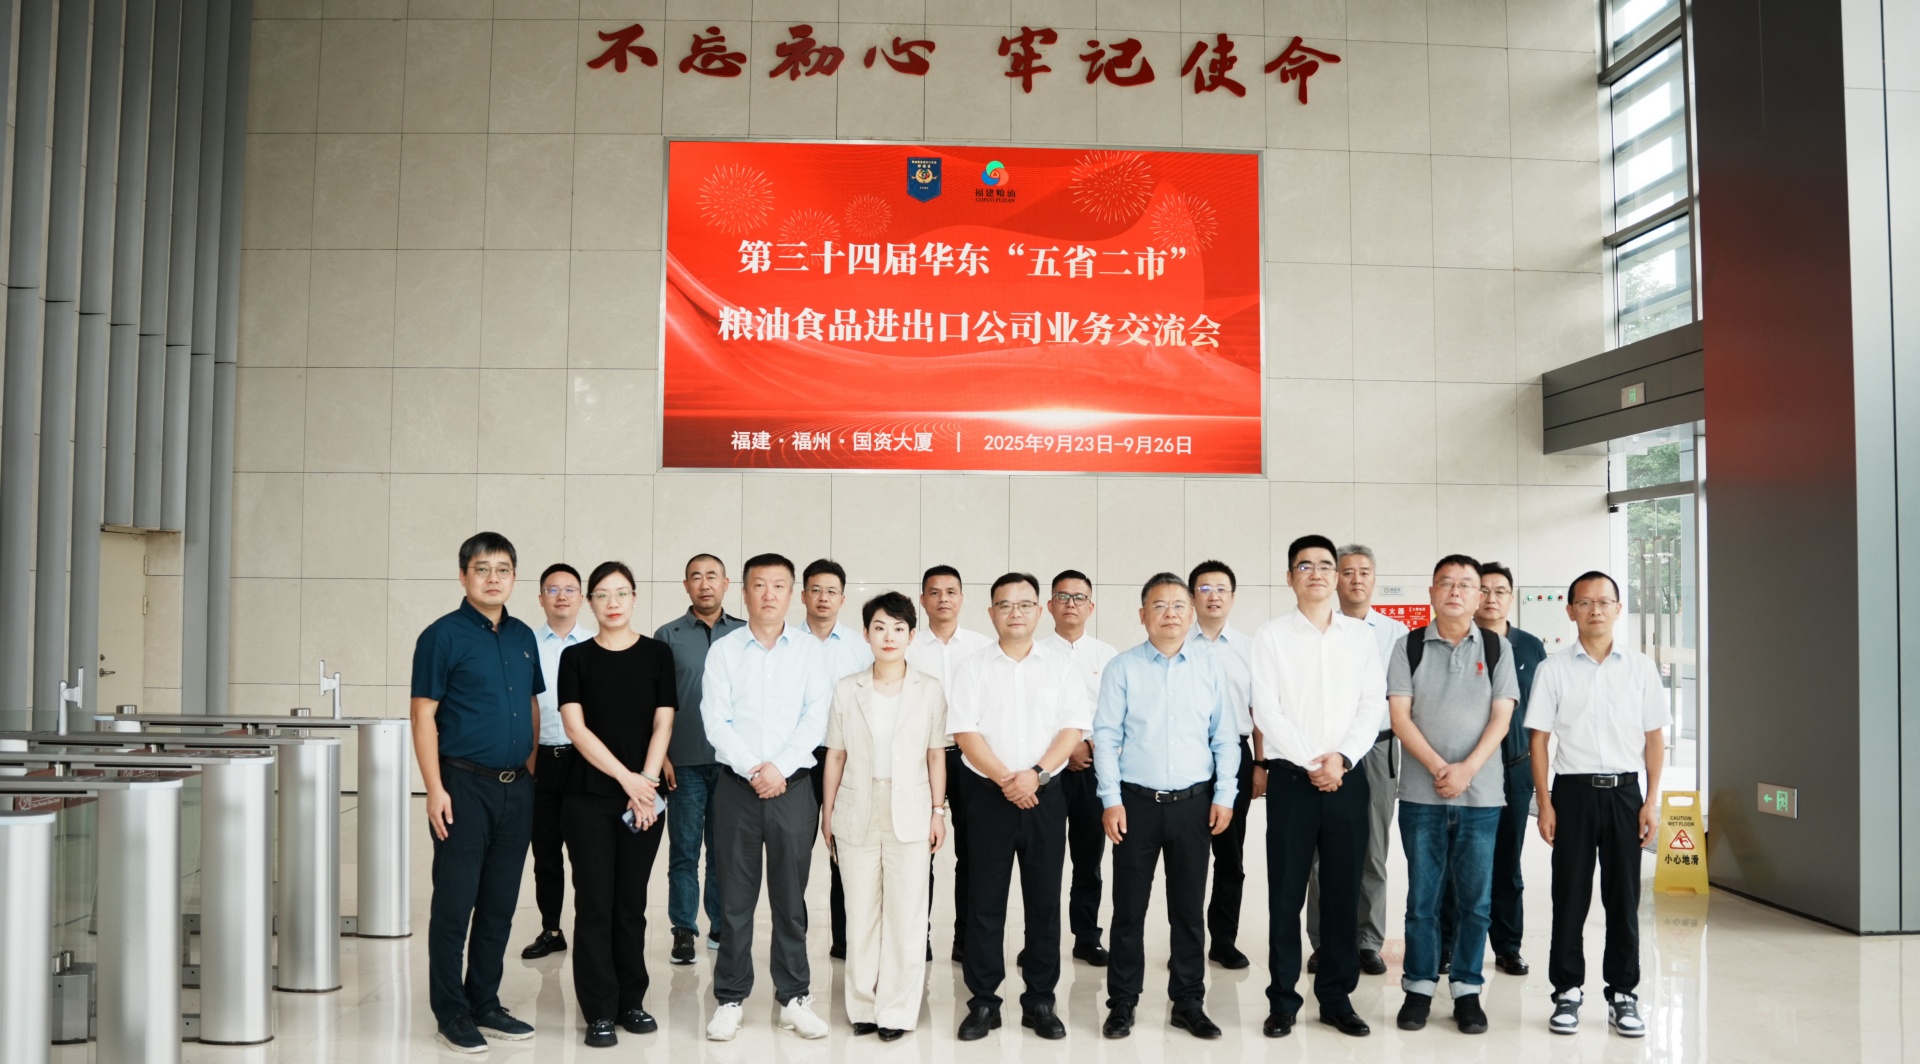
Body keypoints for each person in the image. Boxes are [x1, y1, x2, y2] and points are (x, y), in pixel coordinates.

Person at [409, 532, 543, 1053]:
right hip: (461, 787)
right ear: (463, 575)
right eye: (482, 569)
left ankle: (485, 1001)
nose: (493, 579)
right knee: (454, 905)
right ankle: (452, 1011)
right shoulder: (441, 636)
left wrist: (529, 771)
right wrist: (434, 789)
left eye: (502, 569)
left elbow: (531, 706)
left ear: (514, 577)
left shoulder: (524, 636)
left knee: (499, 905)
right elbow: (423, 715)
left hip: (516, 790)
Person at [1250, 535, 1386, 1040]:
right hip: (1293, 780)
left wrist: (1341, 758)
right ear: (1290, 578)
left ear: (1336, 576)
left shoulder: (1360, 637)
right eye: (1304, 566)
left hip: (1346, 778)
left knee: (1343, 893)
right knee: (1286, 894)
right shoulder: (1271, 636)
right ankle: (1283, 1000)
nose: (1316, 573)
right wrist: (1313, 762)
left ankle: (1336, 998)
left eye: (1325, 566)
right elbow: (1267, 709)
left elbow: (1371, 704)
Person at [1094, 574, 1239, 1041]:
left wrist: (1225, 795)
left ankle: (1188, 1002)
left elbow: (1225, 737)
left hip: (1194, 805)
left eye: (1179, 604)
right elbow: (1106, 738)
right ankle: (1122, 1002)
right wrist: (1111, 800)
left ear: (1191, 613)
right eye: (1159, 605)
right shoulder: (1122, 668)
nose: (1170, 613)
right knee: (1128, 910)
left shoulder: (1211, 667)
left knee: (1188, 911)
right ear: (1143, 615)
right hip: (1135, 805)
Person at [948, 573, 1091, 1041]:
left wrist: (1036, 774)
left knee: (1044, 903)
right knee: (984, 903)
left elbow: (1072, 729)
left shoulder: (1061, 666)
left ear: (1039, 610)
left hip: (1045, 795)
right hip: (987, 797)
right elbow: (965, 732)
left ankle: (1040, 1001)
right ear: (991, 613)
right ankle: (983, 1002)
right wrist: (1007, 780)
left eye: (1025, 604)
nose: (1015, 613)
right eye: (1005, 605)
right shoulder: (972, 667)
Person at [1528, 571, 1667, 1039]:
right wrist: (1545, 802)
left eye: (1604, 602)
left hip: (1626, 794)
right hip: (1573, 793)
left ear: (1618, 608)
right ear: (1570, 611)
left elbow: (1654, 739)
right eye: (1585, 603)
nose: (1595, 610)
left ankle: (1623, 994)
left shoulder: (1640, 668)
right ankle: (1567, 991)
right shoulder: (1553, 669)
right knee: (1569, 896)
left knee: (1623, 899)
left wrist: (1650, 801)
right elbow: (1539, 741)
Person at [700, 554, 833, 1042]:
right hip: (737, 789)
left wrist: (780, 768)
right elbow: (715, 720)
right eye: (759, 585)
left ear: (792, 593)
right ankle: (730, 999)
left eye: (779, 585)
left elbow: (816, 717)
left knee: (790, 900)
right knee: (734, 901)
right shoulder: (725, 651)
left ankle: (794, 997)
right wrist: (754, 768)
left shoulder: (809, 652)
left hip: (793, 789)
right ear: (745, 592)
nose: (769, 594)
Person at [1388, 555, 1519, 1036]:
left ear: (1479, 595)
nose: (1455, 591)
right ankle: (1419, 987)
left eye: (1466, 584)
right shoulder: (1408, 646)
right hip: (1421, 796)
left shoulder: (1497, 647)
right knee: (1422, 900)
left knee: (1475, 903)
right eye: (1446, 583)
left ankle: (1466, 989)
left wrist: (1466, 770)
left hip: (1481, 798)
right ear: (1432, 591)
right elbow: (1400, 717)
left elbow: (1502, 717)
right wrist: (1439, 768)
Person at [555, 562, 677, 1047]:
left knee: (631, 904)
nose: (612, 603)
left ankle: (631, 1001)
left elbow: (663, 722)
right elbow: (575, 727)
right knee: (594, 905)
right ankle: (599, 1010)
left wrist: (645, 783)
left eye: (621, 593)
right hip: (588, 798)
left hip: (643, 800)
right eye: (602, 595)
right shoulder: (575, 658)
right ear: (590, 602)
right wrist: (629, 780)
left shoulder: (657, 654)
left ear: (634, 598)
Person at [819, 592, 950, 1042]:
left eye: (898, 628)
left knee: (906, 914)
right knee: (860, 912)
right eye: (879, 627)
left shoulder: (929, 688)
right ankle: (863, 1005)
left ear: (912, 635)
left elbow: (936, 755)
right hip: (856, 806)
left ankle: (896, 1009)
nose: (888, 636)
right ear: (866, 634)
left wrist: (937, 811)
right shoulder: (847, 688)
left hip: (911, 809)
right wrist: (827, 812)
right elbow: (835, 755)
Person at [1438, 561, 1549, 976]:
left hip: (1513, 770)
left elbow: (1540, 716)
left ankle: (1507, 946)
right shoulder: (1457, 643)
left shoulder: (1530, 647)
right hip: (1463, 772)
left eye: (1500, 591)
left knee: (1507, 864)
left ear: (1511, 598)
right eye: (1482, 590)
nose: (1490, 598)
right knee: (1455, 862)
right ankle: (1447, 945)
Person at [1305, 545, 1406, 978]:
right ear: (1334, 580)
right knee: (1320, 852)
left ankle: (1367, 941)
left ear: (1374, 579)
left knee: (1373, 850)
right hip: (1326, 751)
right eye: (1347, 572)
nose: (1356, 580)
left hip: (1377, 749)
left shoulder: (1396, 634)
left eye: (1365, 572)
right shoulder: (1316, 627)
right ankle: (1324, 941)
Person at [653, 555, 743, 964]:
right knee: (684, 852)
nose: (704, 584)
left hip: (731, 763)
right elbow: (656, 701)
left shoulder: (743, 633)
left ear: (726, 583)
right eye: (696, 577)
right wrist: (661, 757)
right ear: (686, 585)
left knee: (723, 852)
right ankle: (683, 930)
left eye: (712, 576)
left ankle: (720, 925)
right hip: (684, 761)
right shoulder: (667, 635)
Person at [904, 565, 993, 961]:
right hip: (922, 759)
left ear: (961, 598)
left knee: (973, 853)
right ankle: (917, 938)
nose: (943, 599)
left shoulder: (983, 647)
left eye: (951, 591)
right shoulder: (908, 646)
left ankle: (966, 939)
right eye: (935, 592)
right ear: (922, 600)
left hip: (972, 759)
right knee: (918, 851)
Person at [1039, 569, 1118, 967]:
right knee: (1043, 861)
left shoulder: (1107, 656)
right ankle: (1039, 940)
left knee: (1088, 860)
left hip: (1092, 769)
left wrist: (1087, 745)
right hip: (1046, 771)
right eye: (1062, 597)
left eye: (1079, 597)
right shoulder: (1034, 653)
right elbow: (1031, 715)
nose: (1070, 604)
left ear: (1091, 606)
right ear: (1049, 605)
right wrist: (1063, 750)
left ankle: (1087, 937)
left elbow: (1115, 714)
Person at [801, 558, 876, 960]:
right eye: (816, 590)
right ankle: (793, 943)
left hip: (845, 759)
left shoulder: (858, 647)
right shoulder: (785, 642)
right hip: (796, 760)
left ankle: (846, 941)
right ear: (803, 595)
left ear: (843, 598)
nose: (823, 598)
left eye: (831, 591)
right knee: (794, 854)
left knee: (842, 852)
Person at [1186, 560, 1258, 969]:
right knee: (1187, 854)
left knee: (1230, 853)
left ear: (1232, 597)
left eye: (1221, 589)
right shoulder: (1176, 642)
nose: (1213, 596)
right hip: (1187, 756)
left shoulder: (1249, 648)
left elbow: (1259, 710)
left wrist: (1261, 764)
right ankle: (1187, 940)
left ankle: (1223, 940)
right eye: (1204, 588)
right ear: (1192, 596)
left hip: (1236, 755)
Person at [522, 563, 586, 961]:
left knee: (587, 852)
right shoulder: (525, 645)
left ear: (582, 598)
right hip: (541, 760)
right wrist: (529, 763)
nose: (561, 596)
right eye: (552, 589)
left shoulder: (596, 643)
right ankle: (552, 929)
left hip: (584, 761)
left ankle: (590, 928)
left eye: (569, 589)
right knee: (545, 852)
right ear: (541, 598)